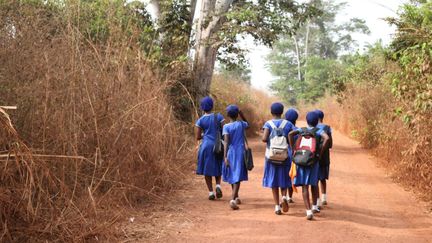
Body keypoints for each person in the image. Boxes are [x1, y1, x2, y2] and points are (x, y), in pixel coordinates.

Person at [288, 111, 330, 220]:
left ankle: (308, 211)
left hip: (301, 160)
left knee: (304, 186)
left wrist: (293, 149)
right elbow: (327, 138)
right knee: (314, 184)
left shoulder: (302, 129)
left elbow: (290, 134)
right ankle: (315, 206)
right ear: (317, 121)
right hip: (313, 161)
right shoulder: (319, 130)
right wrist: (320, 152)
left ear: (307, 121)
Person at [262, 102, 294, 215]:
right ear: (282, 112)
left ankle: (276, 206)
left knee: (274, 181)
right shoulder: (288, 124)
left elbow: (264, 139)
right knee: (284, 179)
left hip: (271, 156)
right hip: (285, 155)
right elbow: (293, 137)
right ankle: (284, 196)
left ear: (271, 112)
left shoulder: (268, 124)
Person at [195, 96, 224, 200]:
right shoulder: (219, 117)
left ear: (202, 108)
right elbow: (223, 132)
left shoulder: (200, 120)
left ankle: (211, 192)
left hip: (206, 146)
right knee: (218, 165)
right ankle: (218, 185)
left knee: (207, 169)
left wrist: (204, 135)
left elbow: (198, 137)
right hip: (217, 145)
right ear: (212, 106)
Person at [222, 105, 249, 210]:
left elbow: (226, 142)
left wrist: (225, 156)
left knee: (233, 174)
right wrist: (242, 115)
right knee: (237, 175)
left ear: (227, 115)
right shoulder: (241, 124)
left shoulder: (226, 127)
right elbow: (248, 125)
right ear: (238, 114)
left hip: (231, 152)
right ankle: (234, 198)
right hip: (240, 152)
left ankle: (235, 197)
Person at [314, 109, 333, 207]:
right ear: (322, 117)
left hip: (315, 157)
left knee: (315, 179)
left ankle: (316, 201)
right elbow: (330, 145)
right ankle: (324, 198)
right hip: (325, 157)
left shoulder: (313, 128)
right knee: (323, 178)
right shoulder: (327, 128)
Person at [284, 108, 299, 203]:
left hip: (284, 153)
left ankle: (284, 196)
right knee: (291, 175)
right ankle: (290, 197)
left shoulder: (284, 128)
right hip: (294, 154)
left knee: (284, 174)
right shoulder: (297, 130)